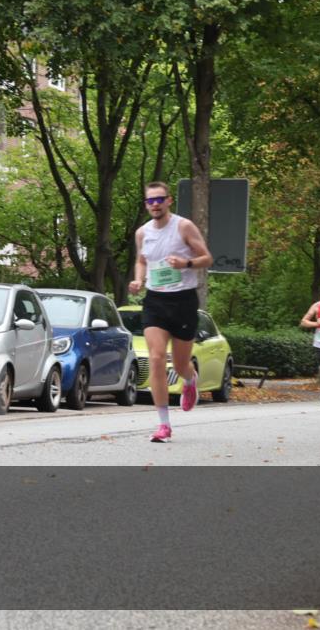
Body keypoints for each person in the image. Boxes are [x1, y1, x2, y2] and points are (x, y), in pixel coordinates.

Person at [128, 182, 213, 443]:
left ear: (169, 201)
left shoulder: (183, 226)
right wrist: (138, 279)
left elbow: (207, 258)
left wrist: (186, 263)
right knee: (156, 358)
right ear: (146, 204)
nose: (154, 204)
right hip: (155, 301)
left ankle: (190, 379)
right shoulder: (142, 232)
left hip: (183, 300)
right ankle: (163, 424)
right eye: (150, 201)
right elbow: (141, 260)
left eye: (159, 199)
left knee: (179, 364)